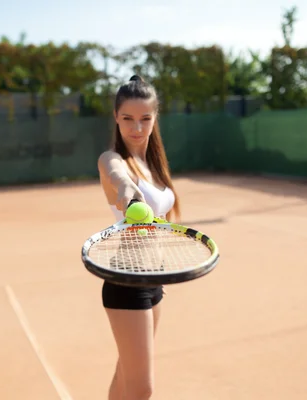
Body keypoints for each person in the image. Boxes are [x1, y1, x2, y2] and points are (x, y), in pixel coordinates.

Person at [97, 75, 181, 400]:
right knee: (142, 389)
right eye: (128, 119)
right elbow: (117, 177)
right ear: (116, 118)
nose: (137, 128)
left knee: (125, 375)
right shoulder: (113, 160)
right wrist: (128, 193)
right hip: (125, 280)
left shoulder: (154, 166)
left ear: (155, 118)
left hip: (154, 279)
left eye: (146, 118)